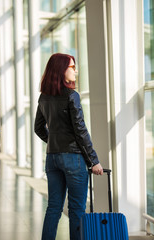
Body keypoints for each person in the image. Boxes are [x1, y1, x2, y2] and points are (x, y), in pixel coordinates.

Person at [34, 53, 103, 240]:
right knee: (77, 209)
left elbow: (38, 128)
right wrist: (94, 161)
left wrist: (54, 142)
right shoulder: (72, 95)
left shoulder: (44, 97)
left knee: (54, 207)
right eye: (72, 67)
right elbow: (80, 130)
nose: (76, 71)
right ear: (61, 69)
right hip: (73, 159)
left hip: (52, 158)